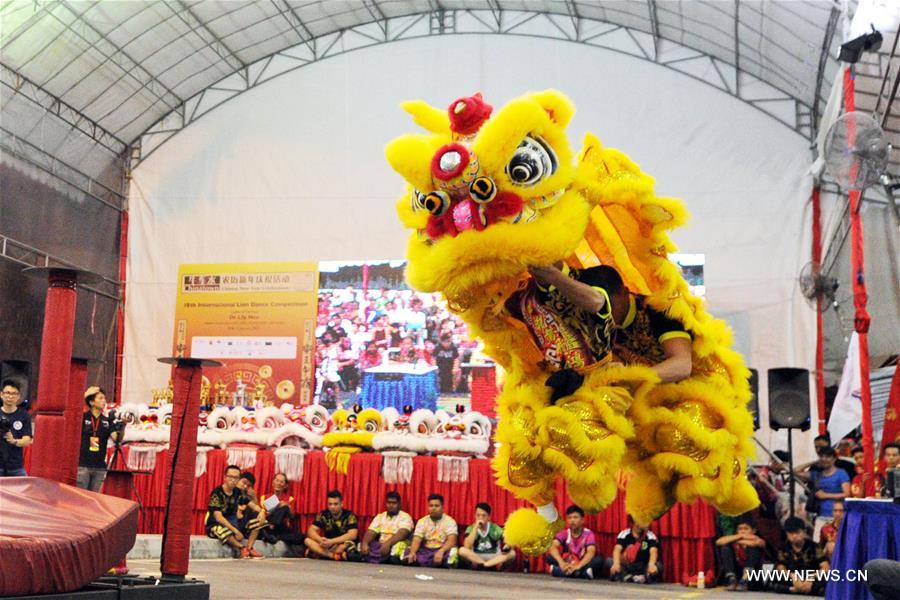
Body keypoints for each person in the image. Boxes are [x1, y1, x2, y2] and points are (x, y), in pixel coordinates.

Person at [523, 264, 692, 384]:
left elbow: (683, 366)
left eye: (608, 303)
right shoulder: (582, 318)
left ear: (624, 292)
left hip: (680, 395)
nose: (602, 314)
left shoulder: (660, 310)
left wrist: (627, 376)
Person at [205, 465, 263, 559]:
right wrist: (235, 531)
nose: (233, 480)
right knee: (220, 530)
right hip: (216, 525)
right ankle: (241, 548)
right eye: (230, 477)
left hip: (233, 523)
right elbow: (218, 518)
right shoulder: (217, 493)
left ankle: (249, 548)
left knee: (261, 520)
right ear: (225, 477)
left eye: (236, 478)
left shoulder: (237, 492)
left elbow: (253, 506)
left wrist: (261, 512)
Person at [771, 517, 829, 596]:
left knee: (829, 578)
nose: (794, 536)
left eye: (797, 532)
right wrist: (792, 576)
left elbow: (825, 567)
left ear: (804, 532)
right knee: (774, 576)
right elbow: (781, 567)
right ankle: (795, 589)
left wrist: (811, 577)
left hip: (811, 574)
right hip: (793, 575)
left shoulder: (814, 546)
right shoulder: (783, 548)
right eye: (791, 533)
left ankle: (798, 589)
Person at [76, 386, 119, 491]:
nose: (104, 401)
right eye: (100, 398)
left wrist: (123, 426)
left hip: (99, 467)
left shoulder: (107, 421)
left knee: (95, 500)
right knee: (81, 498)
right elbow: (72, 409)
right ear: (91, 402)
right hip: (83, 465)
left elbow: (117, 438)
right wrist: (84, 395)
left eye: (104, 398)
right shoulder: (82, 417)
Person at [804, 447, 850, 541]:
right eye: (822, 456)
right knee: (817, 544)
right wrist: (814, 462)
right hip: (821, 516)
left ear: (834, 458)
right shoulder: (818, 474)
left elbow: (847, 494)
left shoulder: (841, 473)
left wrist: (826, 495)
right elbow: (795, 471)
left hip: (837, 516)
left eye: (828, 457)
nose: (824, 459)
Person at [546, 505, 603, 579]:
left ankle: (560, 572)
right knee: (550, 558)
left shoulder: (589, 534)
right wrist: (562, 563)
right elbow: (553, 547)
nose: (572, 520)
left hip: (582, 563)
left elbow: (591, 552)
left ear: (582, 520)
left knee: (598, 560)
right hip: (567, 562)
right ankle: (582, 574)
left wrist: (578, 566)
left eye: (575, 517)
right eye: (569, 518)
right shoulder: (564, 533)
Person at [357, 491, 413, 564]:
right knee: (362, 545)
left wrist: (388, 544)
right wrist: (365, 543)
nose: (391, 505)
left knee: (398, 547)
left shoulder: (405, 517)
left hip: (394, 543)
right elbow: (371, 532)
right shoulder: (380, 516)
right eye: (389, 503)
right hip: (381, 545)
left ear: (399, 504)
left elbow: (402, 533)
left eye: (394, 503)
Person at [404, 493, 459, 568]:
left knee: (452, 553)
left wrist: (441, 551)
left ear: (443, 507)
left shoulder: (450, 521)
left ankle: (434, 563)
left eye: (437, 506)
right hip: (426, 550)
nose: (433, 508)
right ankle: (425, 562)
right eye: (431, 506)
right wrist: (412, 552)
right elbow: (417, 539)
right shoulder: (422, 521)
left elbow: (452, 541)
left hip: (442, 549)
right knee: (408, 551)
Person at [715, 515, 766, 591]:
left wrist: (737, 539)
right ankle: (731, 579)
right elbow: (718, 542)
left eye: (746, 529)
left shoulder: (758, 539)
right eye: (740, 529)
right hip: (737, 574)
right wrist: (741, 536)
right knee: (725, 548)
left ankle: (745, 579)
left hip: (754, 577)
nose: (742, 531)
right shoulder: (736, 540)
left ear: (754, 531)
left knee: (754, 549)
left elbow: (757, 542)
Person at [458, 502, 515, 570]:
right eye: (478, 515)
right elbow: (467, 546)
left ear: (489, 517)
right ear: (475, 516)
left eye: (483, 515)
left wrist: (508, 545)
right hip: (477, 558)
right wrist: (476, 528)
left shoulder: (495, 528)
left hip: (494, 558)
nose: (480, 518)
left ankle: (488, 565)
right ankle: (483, 564)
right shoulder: (471, 528)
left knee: (512, 553)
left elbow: (508, 541)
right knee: (462, 550)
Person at [305, 489, 359, 560]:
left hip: (342, 543)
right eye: (330, 504)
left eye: (335, 504)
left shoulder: (349, 515)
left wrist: (332, 541)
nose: (332, 507)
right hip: (328, 544)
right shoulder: (323, 514)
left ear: (341, 503)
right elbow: (311, 530)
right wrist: (320, 540)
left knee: (344, 547)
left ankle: (320, 553)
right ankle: (332, 556)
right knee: (307, 541)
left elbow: (352, 535)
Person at [259, 472, 304, 552]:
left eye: (281, 482)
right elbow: (263, 513)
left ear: (285, 485)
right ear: (273, 482)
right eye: (277, 480)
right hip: (268, 524)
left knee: (302, 537)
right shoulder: (264, 497)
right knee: (282, 506)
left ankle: (274, 537)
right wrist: (277, 505)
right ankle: (271, 531)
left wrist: (287, 506)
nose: (278, 483)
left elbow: (292, 516)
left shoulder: (289, 498)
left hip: (281, 527)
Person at [607, 519, 662, 584]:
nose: (640, 525)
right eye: (637, 523)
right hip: (628, 566)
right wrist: (616, 563)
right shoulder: (624, 534)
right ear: (632, 523)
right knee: (609, 561)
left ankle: (640, 577)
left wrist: (651, 564)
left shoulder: (650, 536)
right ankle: (629, 577)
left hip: (643, 566)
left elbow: (653, 551)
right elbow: (617, 549)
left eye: (642, 523)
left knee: (658, 566)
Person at [0, 379, 32, 476]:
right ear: (1, 394)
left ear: (18, 396)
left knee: (25, 490)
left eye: (14, 394)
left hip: (16, 467)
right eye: (7, 393)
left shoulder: (24, 415)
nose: (10, 396)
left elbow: (27, 440)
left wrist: (13, 440)